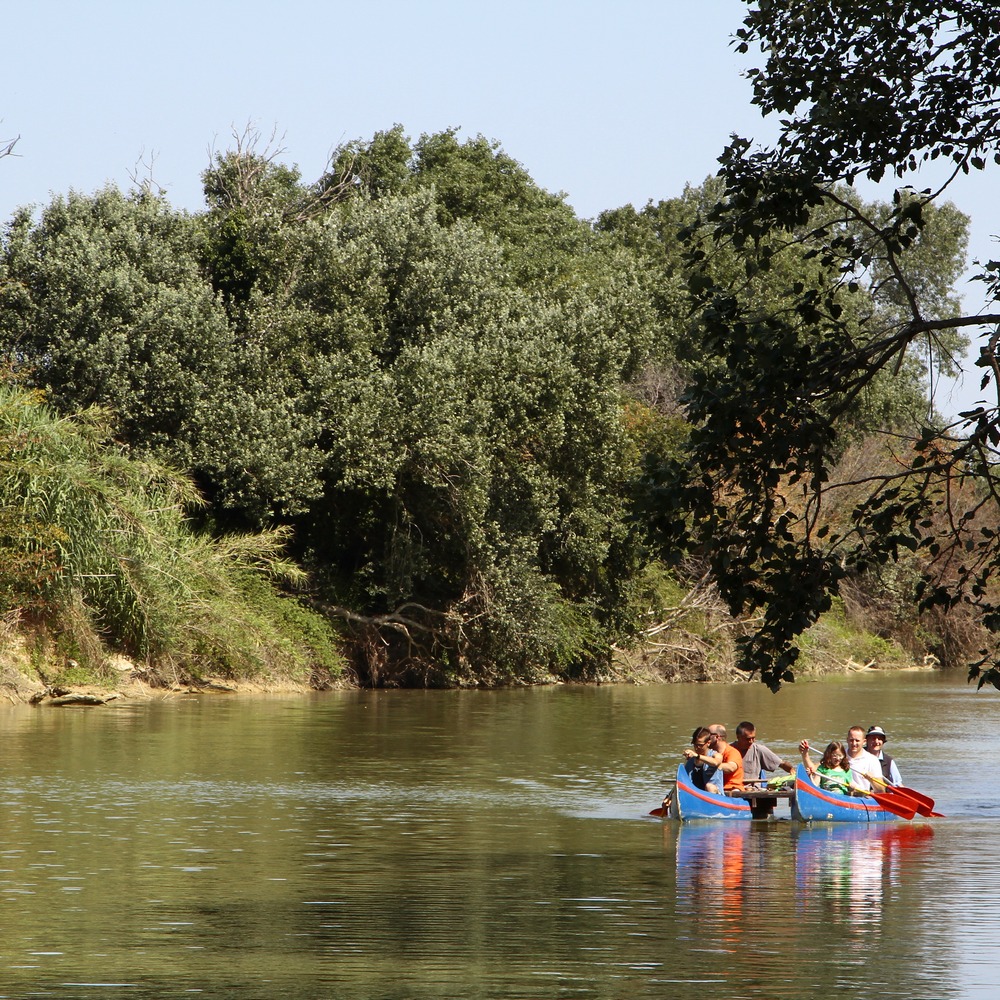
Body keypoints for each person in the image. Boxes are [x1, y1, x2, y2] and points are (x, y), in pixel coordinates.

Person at [682, 726, 724, 793]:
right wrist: (669, 797)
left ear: (708, 743)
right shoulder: (691, 761)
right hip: (695, 794)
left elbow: (716, 762)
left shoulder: (716, 755)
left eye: (700, 745)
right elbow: (682, 781)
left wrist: (697, 756)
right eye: (695, 744)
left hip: (714, 794)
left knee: (709, 787)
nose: (697, 748)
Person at [707, 724, 745, 794]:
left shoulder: (732, 752)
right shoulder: (710, 753)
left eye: (708, 735)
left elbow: (731, 767)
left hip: (731, 789)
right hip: (716, 787)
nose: (705, 738)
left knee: (709, 787)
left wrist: (712, 763)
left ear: (716, 737)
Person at [844, 725, 883, 793]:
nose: (854, 743)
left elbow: (881, 791)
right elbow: (820, 765)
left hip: (860, 797)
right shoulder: (839, 755)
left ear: (864, 741)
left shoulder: (872, 760)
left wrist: (872, 780)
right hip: (839, 794)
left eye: (857, 740)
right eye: (851, 740)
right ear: (847, 740)